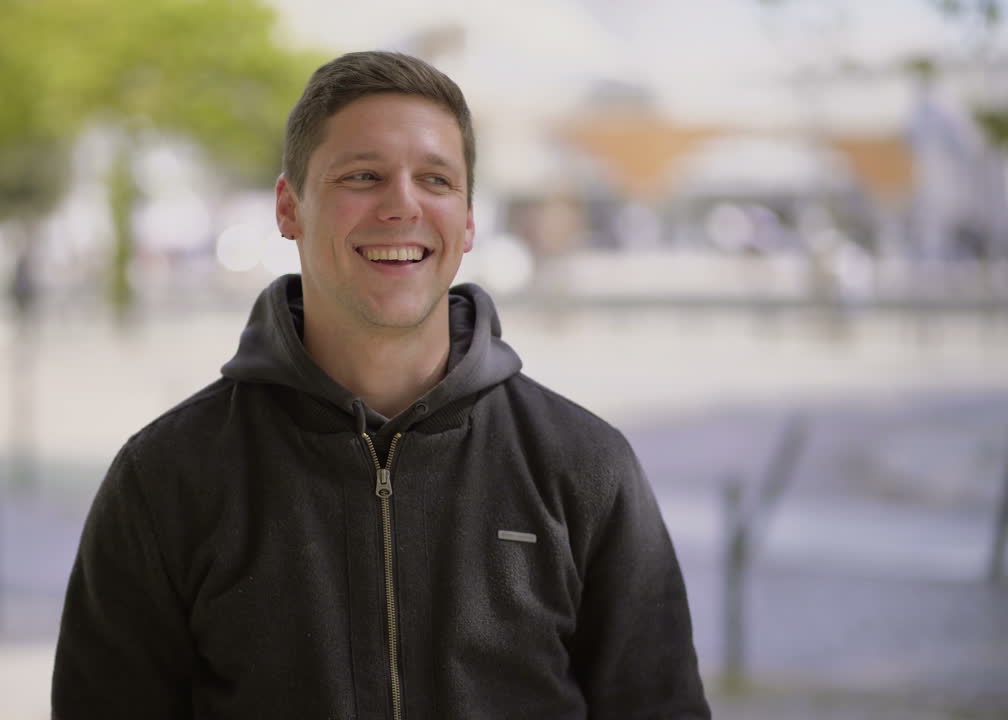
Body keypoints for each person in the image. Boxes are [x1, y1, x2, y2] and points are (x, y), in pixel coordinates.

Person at [52, 51, 710, 719]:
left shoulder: (585, 469)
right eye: (363, 175)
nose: (402, 205)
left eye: (435, 179)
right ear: (289, 207)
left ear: (470, 219)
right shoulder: (167, 478)